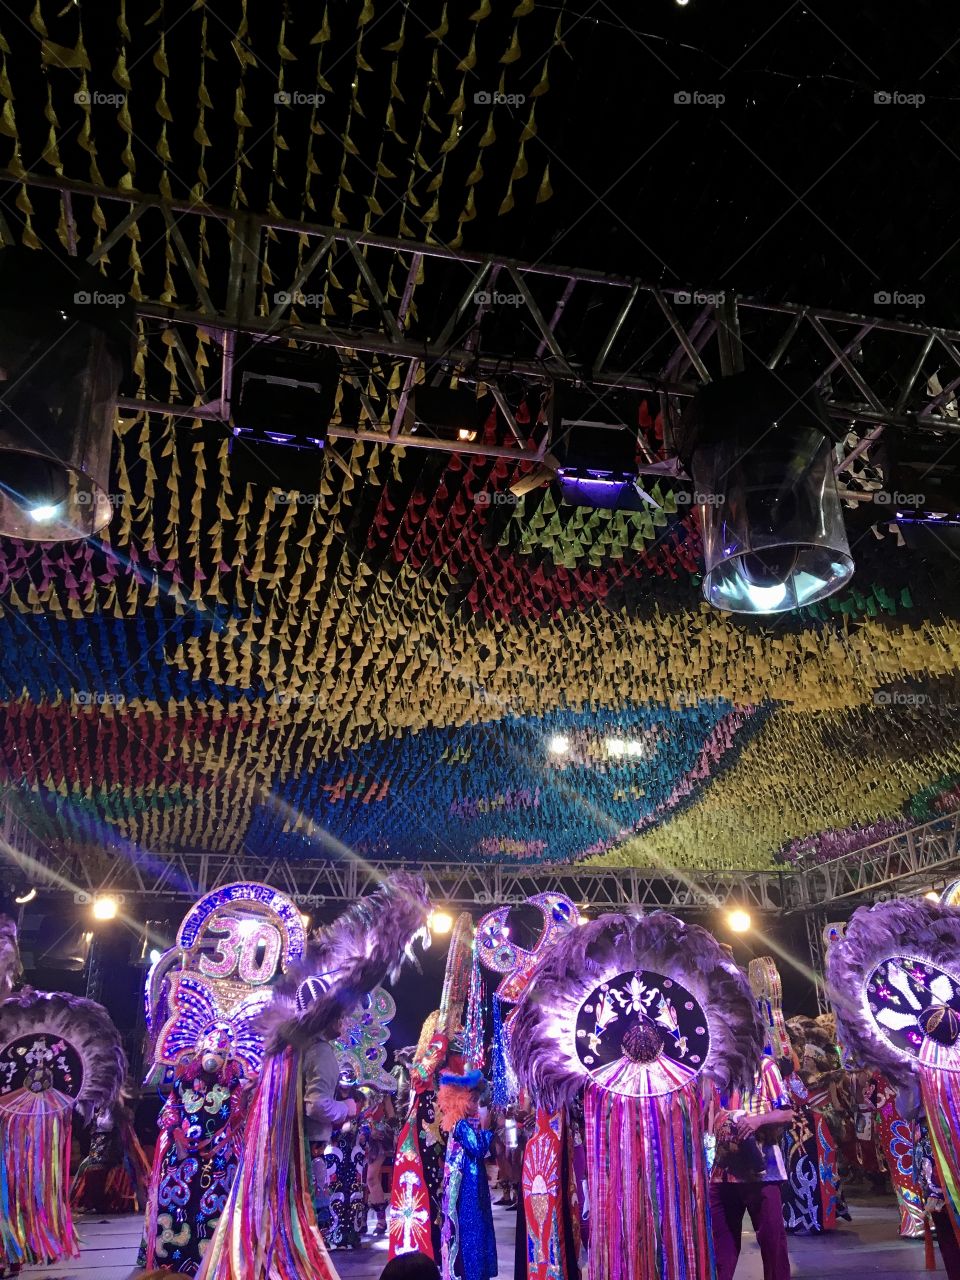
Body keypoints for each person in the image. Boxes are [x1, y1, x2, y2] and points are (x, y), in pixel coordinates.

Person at [708, 1055, 795, 1280]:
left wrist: (757, 1121)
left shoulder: (764, 1066)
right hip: (722, 1171)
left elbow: (786, 1113)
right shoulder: (716, 1068)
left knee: (771, 1239)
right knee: (720, 1242)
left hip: (762, 1169)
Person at [302, 1013, 360, 1239]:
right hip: (309, 1149)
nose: (343, 1021)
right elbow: (317, 1105)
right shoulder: (320, 1051)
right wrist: (346, 1108)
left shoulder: (301, 1047)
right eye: (339, 1015)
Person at [437, 1070, 497, 1280]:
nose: (475, 1104)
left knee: (476, 1226)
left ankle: (477, 1271)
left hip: (473, 1183)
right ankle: (473, 1272)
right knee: (472, 1229)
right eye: (471, 1099)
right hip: (468, 1188)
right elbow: (478, 1148)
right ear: (460, 1100)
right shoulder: (461, 1125)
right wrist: (487, 1129)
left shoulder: (462, 1124)